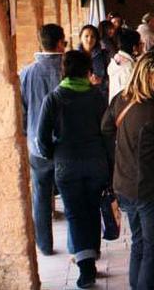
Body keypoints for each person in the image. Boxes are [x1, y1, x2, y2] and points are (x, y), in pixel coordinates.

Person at [102, 52, 154, 290]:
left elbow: (106, 128)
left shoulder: (122, 99)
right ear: (149, 76)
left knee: (139, 243)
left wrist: (124, 150)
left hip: (125, 183)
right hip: (151, 188)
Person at [36, 50, 109, 288]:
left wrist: (52, 154)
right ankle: (91, 257)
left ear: (64, 69)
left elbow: (42, 138)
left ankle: (86, 268)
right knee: (92, 209)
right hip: (96, 162)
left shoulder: (54, 98)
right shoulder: (97, 97)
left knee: (76, 214)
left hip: (67, 165)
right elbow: (107, 132)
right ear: (88, 69)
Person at [20, 24, 67, 256]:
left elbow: (22, 111)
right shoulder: (67, 70)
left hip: (37, 147)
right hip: (66, 145)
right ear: (60, 43)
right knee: (71, 194)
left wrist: (28, 133)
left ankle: (45, 244)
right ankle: (78, 247)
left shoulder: (26, 73)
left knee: (40, 194)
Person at [108, 28, 143, 103]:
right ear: (134, 47)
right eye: (140, 43)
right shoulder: (128, 67)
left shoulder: (117, 59)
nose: (142, 45)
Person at [78, 24, 110, 98]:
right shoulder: (74, 56)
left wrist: (101, 81)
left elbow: (111, 78)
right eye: (86, 36)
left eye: (93, 37)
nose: (89, 39)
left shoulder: (104, 55)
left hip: (100, 96)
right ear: (80, 38)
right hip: (80, 96)